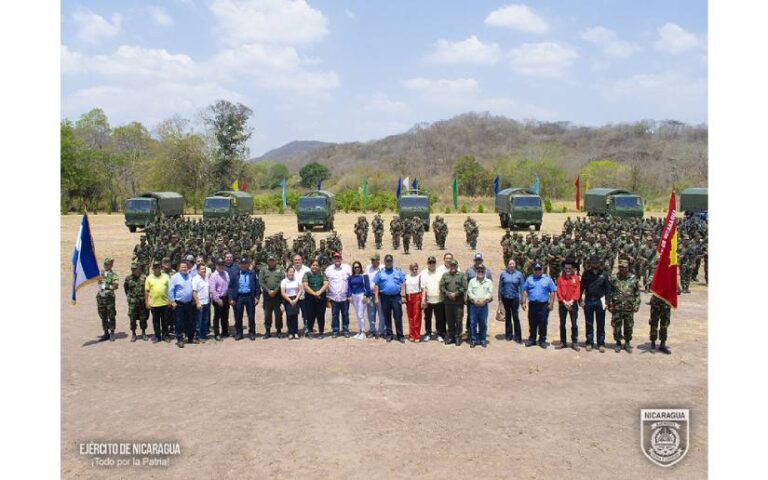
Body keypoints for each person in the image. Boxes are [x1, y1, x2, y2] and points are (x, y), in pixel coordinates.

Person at [607, 258, 641, 353]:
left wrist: (637, 304)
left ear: (628, 268)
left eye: (624, 267)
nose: (622, 269)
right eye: (620, 267)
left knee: (628, 326)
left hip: (629, 307)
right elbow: (609, 292)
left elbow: (637, 293)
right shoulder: (614, 278)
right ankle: (618, 343)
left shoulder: (633, 279)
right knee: (616, 326)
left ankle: (627, 343)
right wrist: (609, 303)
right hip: (617, 307)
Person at [521, 262, 556, 349]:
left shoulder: (547, 279)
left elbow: (552, 291)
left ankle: (542, 340)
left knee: (543, 323)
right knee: (532, 322)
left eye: (539, 269)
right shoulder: (529, 279)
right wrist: (523, 302)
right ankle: (532, 339)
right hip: (532, 304)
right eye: (536, 269)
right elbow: (525, 290)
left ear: (542, 269)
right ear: (533, 270)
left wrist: (551, 304)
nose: (537, 271)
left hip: (543, 305)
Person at [373, 254, 407, 343]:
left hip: (396, 297)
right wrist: (376, 297)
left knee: (398, 316)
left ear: (392, 261)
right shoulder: (380, 272)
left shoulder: (398, 271)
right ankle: (389, 335)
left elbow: (403, 283)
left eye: (390, 261)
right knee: (387, 316)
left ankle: (400, 335)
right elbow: (376, 285)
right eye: (387, 261)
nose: (389, 262)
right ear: (384, 262)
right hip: (384, 297)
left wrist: (403, 296)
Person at [580, 255, 611, 353]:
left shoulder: (605, 274)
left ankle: (601, 343)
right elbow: (581, 287)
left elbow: (608, 290)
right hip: (589, 300)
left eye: (596, 263)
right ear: (591, 263)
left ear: (599, 263)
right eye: (593, 263)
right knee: (589, 323)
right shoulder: (586, 273)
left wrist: (607, 302)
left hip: (600, 300)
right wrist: (580, 300)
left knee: (600, 323)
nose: (595, 264)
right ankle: (589, 342)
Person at [228, 256, 261, 341]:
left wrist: (257, 297)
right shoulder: (236, 274)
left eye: (245, 264)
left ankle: (252, 333)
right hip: (239, 297)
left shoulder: (252, 273)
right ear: (240, 265)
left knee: (251, 316)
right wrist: (231, 298)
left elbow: (257, 286)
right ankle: (239, 333)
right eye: (242, 264)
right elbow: (230, 287)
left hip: (249, 297)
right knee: (238, 316)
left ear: (248, 264)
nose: (243, 265)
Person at [440, 259, 468, 346]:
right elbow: (441, 286)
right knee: (449, 320)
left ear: (456, 266)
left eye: (454, 266)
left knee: (458, 320)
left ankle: (458, 337)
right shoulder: (445, 276)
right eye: (451, 265)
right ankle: (451, 336)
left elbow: (465, 287)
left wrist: (456, 293)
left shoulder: (461, 275)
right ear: (449, 266)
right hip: (448, 302)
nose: (453, 267)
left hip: (458, 302)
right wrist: (448, 293)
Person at [555, 258, 581, 351]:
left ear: (573, 268)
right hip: (563, 304)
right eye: (566, 268)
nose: (568, 270)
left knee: (574, 324)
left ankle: (574, 342)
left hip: (572, 304)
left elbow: (577, 291)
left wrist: (571, 301)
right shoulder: (560, 279)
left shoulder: (576, 278)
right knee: (562, 324)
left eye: (569, 268)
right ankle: (563, 342)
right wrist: (564, 301)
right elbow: (558, 291)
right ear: (564, 269)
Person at [168, 261, 195, 348]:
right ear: (178, 268)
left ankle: (190, 338)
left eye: (185, 267)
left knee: (189, 321)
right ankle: (180, 340)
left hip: (189, 303)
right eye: (182, 267)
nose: (184, 269)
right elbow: (170, 290)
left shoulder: (190, 276)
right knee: (179, 322)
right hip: (179, 304)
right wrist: (172, 301)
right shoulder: (175, 277)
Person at [325, 252, 352, 338]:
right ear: (333, 259)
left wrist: (350, 294)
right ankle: (335, 330)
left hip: (344, 297)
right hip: (333, 297)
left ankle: (345, 330)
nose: (337, 259)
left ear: (341, 258)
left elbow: (351, 280)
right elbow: (326, 283)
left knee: (345, 314)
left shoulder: (347, 268)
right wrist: (327, 297)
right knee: (334, 315)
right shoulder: (328, 269)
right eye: (335, 258)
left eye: (338, 258)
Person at [259, 254, 286, 339]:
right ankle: (267, 331)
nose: (271, 262)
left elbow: (282, 280)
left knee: (278, 314)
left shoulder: (280, 268)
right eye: (270, 260)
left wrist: (275, 290)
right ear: (267, 261)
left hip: (277, 295)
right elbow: (261, 281)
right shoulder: (263, 269)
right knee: (267, 314)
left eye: (273, 260)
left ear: (276, 261)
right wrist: (268, 290)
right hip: (267, 295)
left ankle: (278, 331)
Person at [145, 260, 171, 343]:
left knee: (165, 321)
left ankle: (165, 336)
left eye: (158, 267)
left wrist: (170, 300)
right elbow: (146, 291)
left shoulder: (166, 276)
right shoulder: (149, 278)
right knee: (155, 322)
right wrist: (147, 302)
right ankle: (157, 336)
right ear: (153, 268)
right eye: (155, 267)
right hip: (154, 304)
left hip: (165, 303)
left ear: (161, 268)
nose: (157, 269)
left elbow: (170, 289)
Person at [467, 264, 493, 348]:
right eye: (479, 271)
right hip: (473, 306)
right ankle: (473, 340)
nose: (480, 272)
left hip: (484, 306)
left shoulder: (488, 282)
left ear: (484, 272)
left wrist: (484, 300)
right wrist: (475, 300)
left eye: (482, 271)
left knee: (483, 323)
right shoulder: (472, 281)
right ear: (476, 272)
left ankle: (483, 339)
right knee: (473, 323)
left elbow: (490, 292)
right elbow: (469, 292)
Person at [498, 259, 524, 343]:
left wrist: (522, 300)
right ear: (507, 265)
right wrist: (499, 299)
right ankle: (508, 335)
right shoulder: (503, 274)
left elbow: (522, 288)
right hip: (505, 297)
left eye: (513, 264)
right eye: (510, 264)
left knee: (515, 316)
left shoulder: (519, 274)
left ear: (515, 265)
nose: (511, 265)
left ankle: (518, 336)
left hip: (514, 298)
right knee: (508, 316)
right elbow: (500, 287)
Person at [420, 255, 444, 342]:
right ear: (427, 263)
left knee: (439, 318)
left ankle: (439, 334)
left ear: (435, 263)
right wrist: (423, 300)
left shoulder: (440, 273)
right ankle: (428, 333)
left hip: (439, 299)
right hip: (428, 300)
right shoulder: (423, 273)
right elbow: (423, 288)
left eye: (433, 262)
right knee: (427, 318)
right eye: (430, 262)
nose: (432, 264)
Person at [302, 260, 329, 338]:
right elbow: (305, 286)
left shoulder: (322, 274)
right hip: (310, 298)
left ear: (319, 267)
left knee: (321, 315)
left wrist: (319, 292)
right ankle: (310, 331)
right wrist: (314, 293)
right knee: (310, 315)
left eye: (317, 265)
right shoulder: (306, 274)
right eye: (313, 265)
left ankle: (321, 332)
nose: (315, 267)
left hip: (321, 297)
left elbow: (326, 283)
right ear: (310, 266)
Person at [124, 262, 149, 342]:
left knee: (143, 318)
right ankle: (133, 333)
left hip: (142, 302)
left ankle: (143, 332)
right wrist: (129, 298)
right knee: (132, 318)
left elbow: (147, 290)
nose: (133, 270)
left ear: (139, 269)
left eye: (135, 269)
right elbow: (126, 289)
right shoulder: (128, 278)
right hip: (132, 302)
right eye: (132, 269)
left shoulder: (144, 277)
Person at [347, 261, 373, 339]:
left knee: (360, 314)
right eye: (355, 267)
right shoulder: (351, 277)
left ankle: (363, 332)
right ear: (353, 268)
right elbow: (349, 287)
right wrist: (349, 296)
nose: (357, 268)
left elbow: (367, 287)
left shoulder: (364, 276)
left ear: (360, 267)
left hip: (362, 296)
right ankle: (359, 331)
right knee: (358, 315)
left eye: (358, 267)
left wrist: (365, 295)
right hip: (354, 297)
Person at [96, 257, 119, 341]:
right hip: (101, 297)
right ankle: (106, 332)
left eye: (108, 264)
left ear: (111, 265)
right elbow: (98, 283)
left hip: (109, 298)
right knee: (102, 315)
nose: (106, 265)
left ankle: (112, 332)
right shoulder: (101, 274)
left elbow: (115, 286)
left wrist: (106, 286)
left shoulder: (114, 275)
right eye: (105, 264)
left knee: (111, 315)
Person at [291, 254, 312, 337]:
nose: (297, 261)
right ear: (293, 261)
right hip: (293, 296)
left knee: (306, 314)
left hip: (305, 296)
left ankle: (307, 330)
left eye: (299, 260)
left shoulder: (307, 270)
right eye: (295, 260)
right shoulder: (290, 269)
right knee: (294, 314)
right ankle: (294, 331)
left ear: (301, 260)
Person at [209, 258, 231, 341]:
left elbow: (228, 285)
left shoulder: (226, 273)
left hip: (225, 297)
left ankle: (225, 331)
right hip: (218, 298)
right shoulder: (214, 276)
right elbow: (212, 289)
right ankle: (217, 334)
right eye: (219, 265)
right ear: (216, 265)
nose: (221, 266)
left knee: (225, 316)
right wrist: (218, 299)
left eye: (222, 264)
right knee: (217, 317)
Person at [280, 266, 304, 339]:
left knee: (295, 316)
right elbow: (283, 292)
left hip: (295, 299)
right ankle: (290, 332)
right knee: (289, 317)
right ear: (287, 273)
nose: (291, 273)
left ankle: (296, 332)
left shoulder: (297, 280)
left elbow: (300, 290)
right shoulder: (284, 281)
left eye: (292, 271)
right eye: (289, 271)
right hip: (288, 300)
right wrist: (290, 300)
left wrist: (296, 299)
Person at [365, 253, 385, 338]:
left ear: (378, 260)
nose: (373, 262)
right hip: (370, 294)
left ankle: (381, 331)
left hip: (380, 294)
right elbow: (366, 279)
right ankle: (372, 330)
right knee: (371, 313)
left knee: (381, 314)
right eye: (372, 260)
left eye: (374, 260)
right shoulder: (368, 267)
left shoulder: (383, 268)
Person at [192, 263, 211, 342]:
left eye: (205, 269)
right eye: (202, 269)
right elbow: (194, 292)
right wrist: (197, 302)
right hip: (200, 303)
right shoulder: (195, 279)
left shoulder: (206, 277)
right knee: (198, 321)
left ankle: (203, 335)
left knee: (205, 320)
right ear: (198, 270)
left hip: (207, 302)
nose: (204, 270)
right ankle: (198, 336)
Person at [404, 262, 423, 342]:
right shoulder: (407, 277)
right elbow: (404, 286)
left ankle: (417, 335)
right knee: (410, 316)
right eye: (412, 269)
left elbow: (422, 288)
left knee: (417, 316)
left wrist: (423, 299)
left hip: (417, 296)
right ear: (410, 269)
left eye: (415, 269)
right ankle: (411, 334)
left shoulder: (420, 277)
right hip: (409, 297)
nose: (414, 270)